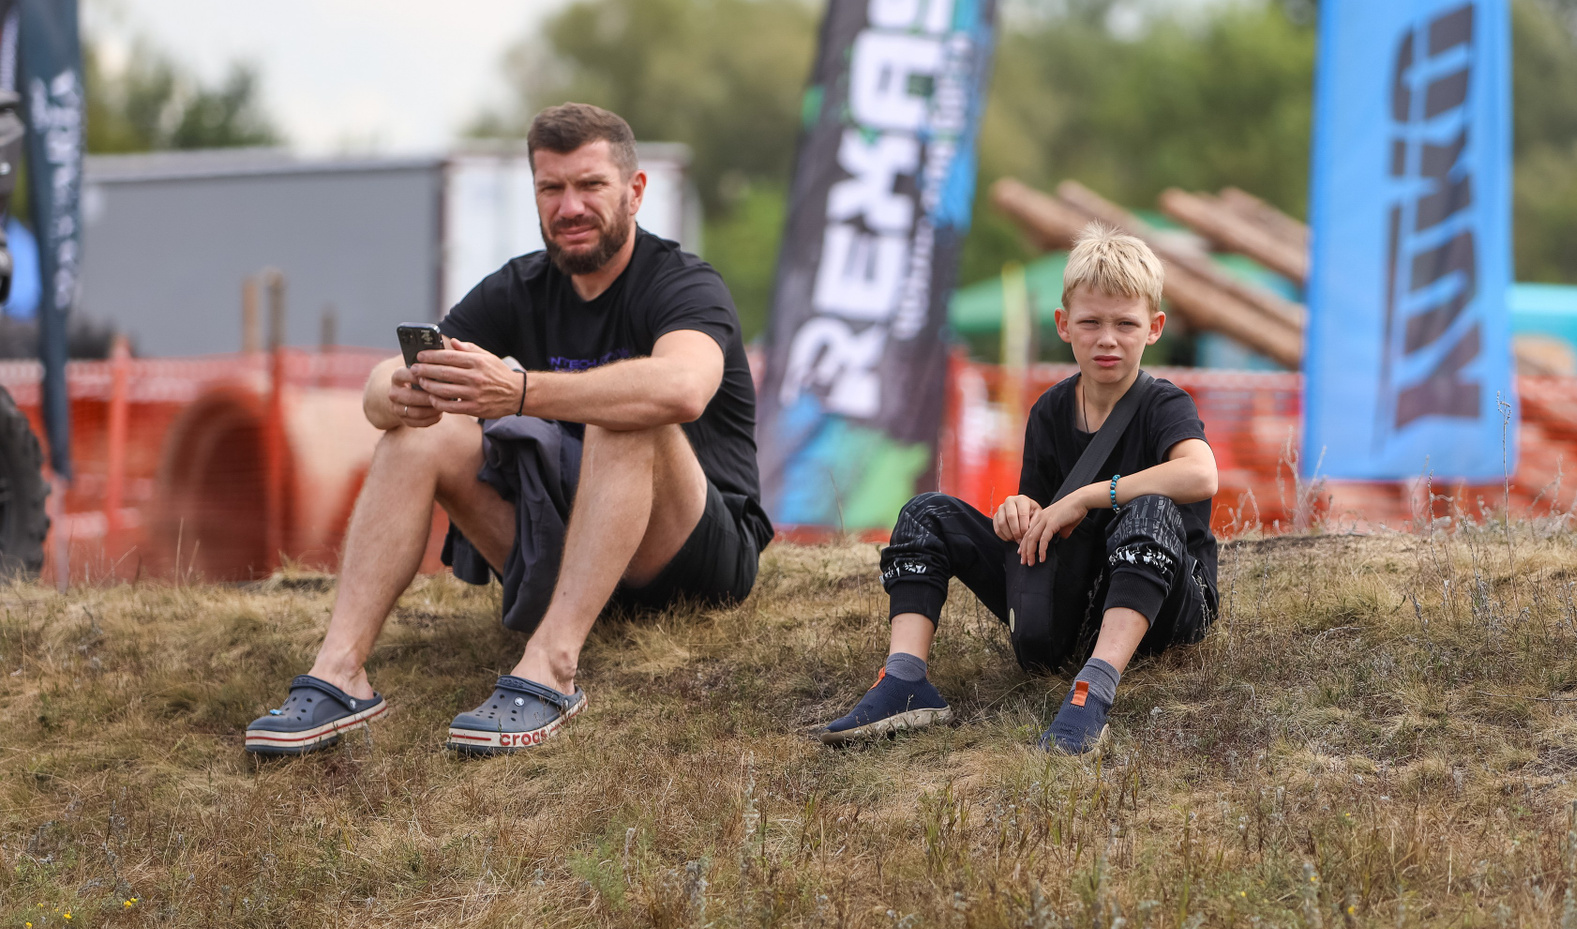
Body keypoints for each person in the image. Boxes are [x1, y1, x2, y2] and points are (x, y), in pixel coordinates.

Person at [246, 103, 770, 757]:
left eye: (590, 185)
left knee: (627, 411)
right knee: (419, 433)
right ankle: (340, 674)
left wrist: (520, 392)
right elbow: (384, 383)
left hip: (695, 558)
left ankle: (552, 666)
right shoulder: (520, 285)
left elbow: (683, 388)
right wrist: (400, 394)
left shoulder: (683, 283)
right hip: (573, 550)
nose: (570, 207)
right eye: (551, 188)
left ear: (634, 192)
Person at [821, 225, 1219, 754]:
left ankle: (1094, 690)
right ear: (1063, 324)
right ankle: (904, 681)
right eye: (1091, 322)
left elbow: (1201, 475)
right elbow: (1040, 523)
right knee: (924, 513)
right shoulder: (1049, 410)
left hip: (1167, 606)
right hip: (1074, 602)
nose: (1107, 338)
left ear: (1154, 328)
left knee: (1150, 510)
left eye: (1126, 323)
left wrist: (1089, 496)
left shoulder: (1165, 404)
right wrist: (1019, 511)